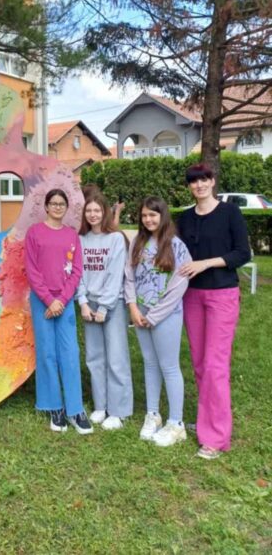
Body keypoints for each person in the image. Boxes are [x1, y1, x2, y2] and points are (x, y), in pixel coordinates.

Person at [177, 163, 251, 459]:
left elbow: (242, 253)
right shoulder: (185, 218)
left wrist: (206, 263)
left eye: (204, 180)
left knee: (215, 366)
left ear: (212, 181)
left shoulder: (230, 212)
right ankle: (206, 420)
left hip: (222, 294)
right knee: (199, 363)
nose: (199, 185)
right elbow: (174, 251)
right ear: (189, 186)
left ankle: (216, 438)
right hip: (192, 296)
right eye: (194, 182)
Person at [24, 189, 92, 434]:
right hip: (42, 300)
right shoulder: (34, 233)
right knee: (47, 353)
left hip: (65, 301)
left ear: (66, 207)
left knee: (70, 353)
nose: (57, 207)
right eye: (53, 203)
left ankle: (75, 409)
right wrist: (48, 300)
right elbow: (31, 270)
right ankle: (55, 407)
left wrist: (61, 300)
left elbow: (76, 270)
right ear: (46, 206)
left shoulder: (71, 235)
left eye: (61, 204)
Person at [125, 197, 192, 447]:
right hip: (140, 314)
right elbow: (129, 276)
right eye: (144, 215)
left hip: (166, 316)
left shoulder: (176, 245)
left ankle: (176, 423)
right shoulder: (137, 242)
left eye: (153, 215)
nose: (148, 220)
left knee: (169, 366)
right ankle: (152, 414)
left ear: (163, 216)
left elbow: (179, 285)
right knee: (150, 363)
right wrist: (133, 307)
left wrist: (154, 316)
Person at [77, 193, 133, 430]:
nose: (93, 215)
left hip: (112, 304)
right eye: (89, 211)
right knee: (94, 357)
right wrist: (82, 302)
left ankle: (119, 410)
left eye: (97, 211)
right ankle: (101, 405)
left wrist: (104, 306)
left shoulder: (115, 239)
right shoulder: (81, 239)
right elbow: (77, 273)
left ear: (105, 212)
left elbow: (115, 274)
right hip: (89, 303)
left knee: (116, 357)